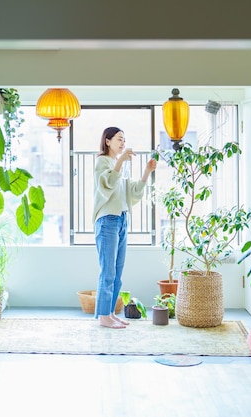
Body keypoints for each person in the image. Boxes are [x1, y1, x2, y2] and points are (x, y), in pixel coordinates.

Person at [93, 127, 157, 328]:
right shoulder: (102, 161)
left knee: (117, 273)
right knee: (108, 272)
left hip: (121, 220)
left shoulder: (118, 165)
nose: (122, 143)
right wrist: (120, 162)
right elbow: (109, 183)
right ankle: (103, 316)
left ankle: (109, 313)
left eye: (124, 139)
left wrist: (147, 171)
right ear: (108, 141)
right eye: (119, 139)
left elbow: (133, 192)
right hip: (107, 221)